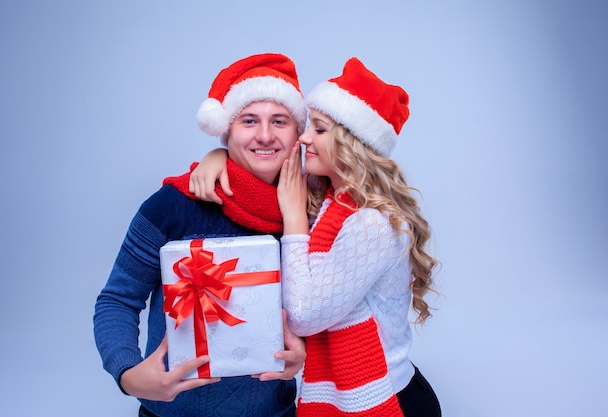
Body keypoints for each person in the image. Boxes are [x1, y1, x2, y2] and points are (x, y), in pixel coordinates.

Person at [192, 57, 442, 417]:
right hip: (348, 396)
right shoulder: (329, 200)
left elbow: (304, 316)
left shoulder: (370, 224)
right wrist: (217, 154)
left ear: (352, 143)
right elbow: (258, 166)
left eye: (320, 130)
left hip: (388, 399)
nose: (305, 137)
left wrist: (294, 219)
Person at [93, 53, 308, 417]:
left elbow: (329, 311)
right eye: (249, 120)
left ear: (297, 132)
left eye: (280, 121)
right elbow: (117, 299)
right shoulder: (172, 206)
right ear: (226, 130)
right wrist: (127, 374)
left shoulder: (312, 212)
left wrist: (305, 350)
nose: (266, 135)